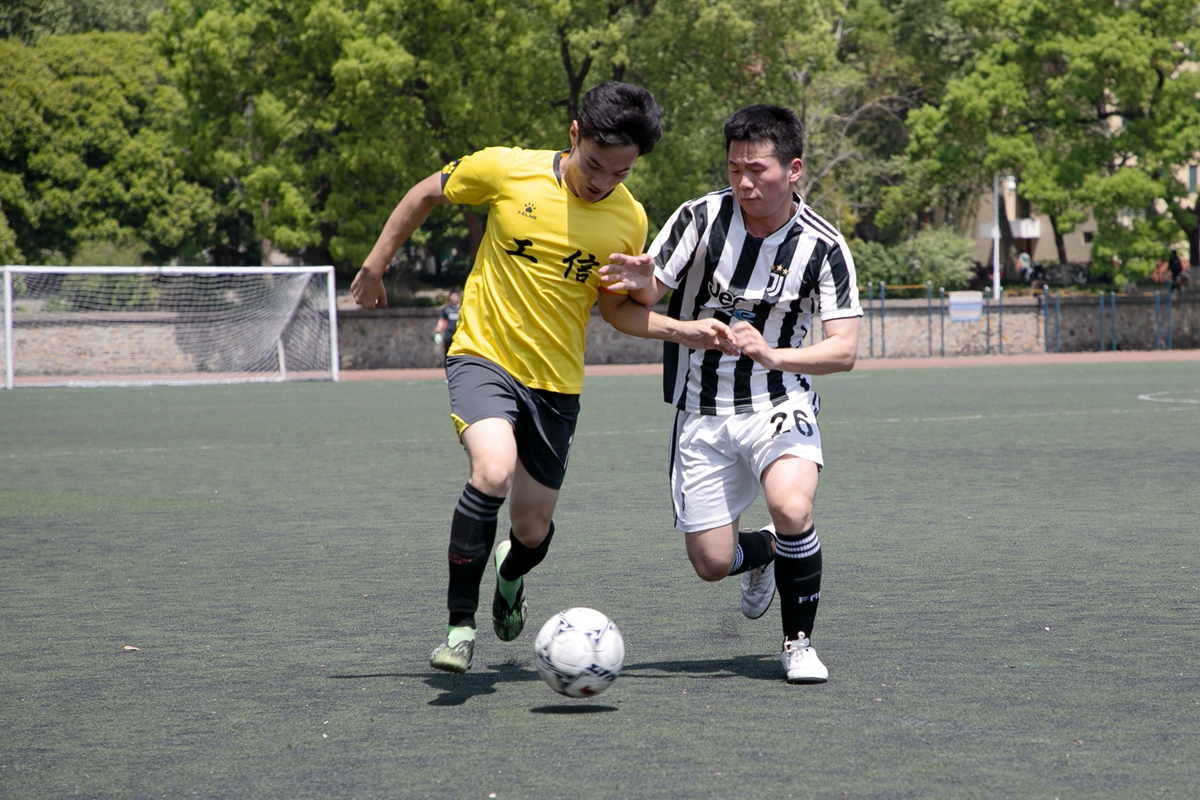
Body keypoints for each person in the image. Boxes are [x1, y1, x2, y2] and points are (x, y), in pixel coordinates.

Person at [351, 82, 665, 674]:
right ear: (574, 134)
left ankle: (510, 575)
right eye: (595, 164)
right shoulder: (506, 169)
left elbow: (616, 310)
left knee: (531, 530)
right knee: (492, 470)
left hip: (556, 384)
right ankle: (459, 628)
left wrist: (676, 319)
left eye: (620, 173)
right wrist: (375, 264)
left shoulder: (630, 218)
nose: (602, 182)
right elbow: (425, 192)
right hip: (484, 354)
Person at [599, 105, 862, 684]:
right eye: (735, 168)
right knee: (712, 563)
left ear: (793, 169)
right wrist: (648, 291)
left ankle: (798, 644)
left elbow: (843, 350)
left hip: (780, 400)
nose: (744, 182)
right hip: (702, 410)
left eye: (758, 170)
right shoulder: (699, 219)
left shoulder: (823, 245)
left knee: (793, 507)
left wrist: (774, 355)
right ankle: (767, 551)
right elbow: (634, 304)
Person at [434, 290, 461, 367]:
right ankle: (448, 370)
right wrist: (438, 332)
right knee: (448, 353)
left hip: (459, 334)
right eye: (453, 296)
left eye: (456, 296)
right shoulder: (446, 309)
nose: (454, 298)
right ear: (450, 297)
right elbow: (441, 320)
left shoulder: (462, 308)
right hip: (449, 335)